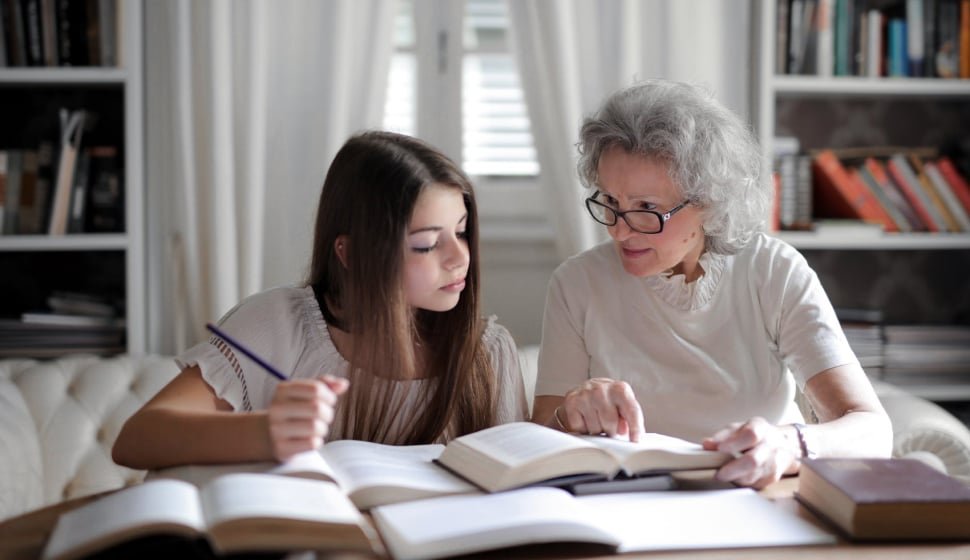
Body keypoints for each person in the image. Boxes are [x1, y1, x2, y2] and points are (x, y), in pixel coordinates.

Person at [532, 79, 892, 489]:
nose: (618, 231)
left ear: (708, 202)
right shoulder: (576, 284)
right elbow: (538, 439)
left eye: (647, 209)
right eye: (611, 202)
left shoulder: (772, 272)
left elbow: (872, 430)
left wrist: (788, 444)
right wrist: (570, 415)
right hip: (630, 504)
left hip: (761, 497)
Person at [113, 130, 528, 470]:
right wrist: (265, 431)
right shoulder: (279, 325)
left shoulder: (488, 353)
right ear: (350, 253)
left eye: (460, 230)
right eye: (425, 244)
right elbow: (137, 439)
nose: (459, 258)